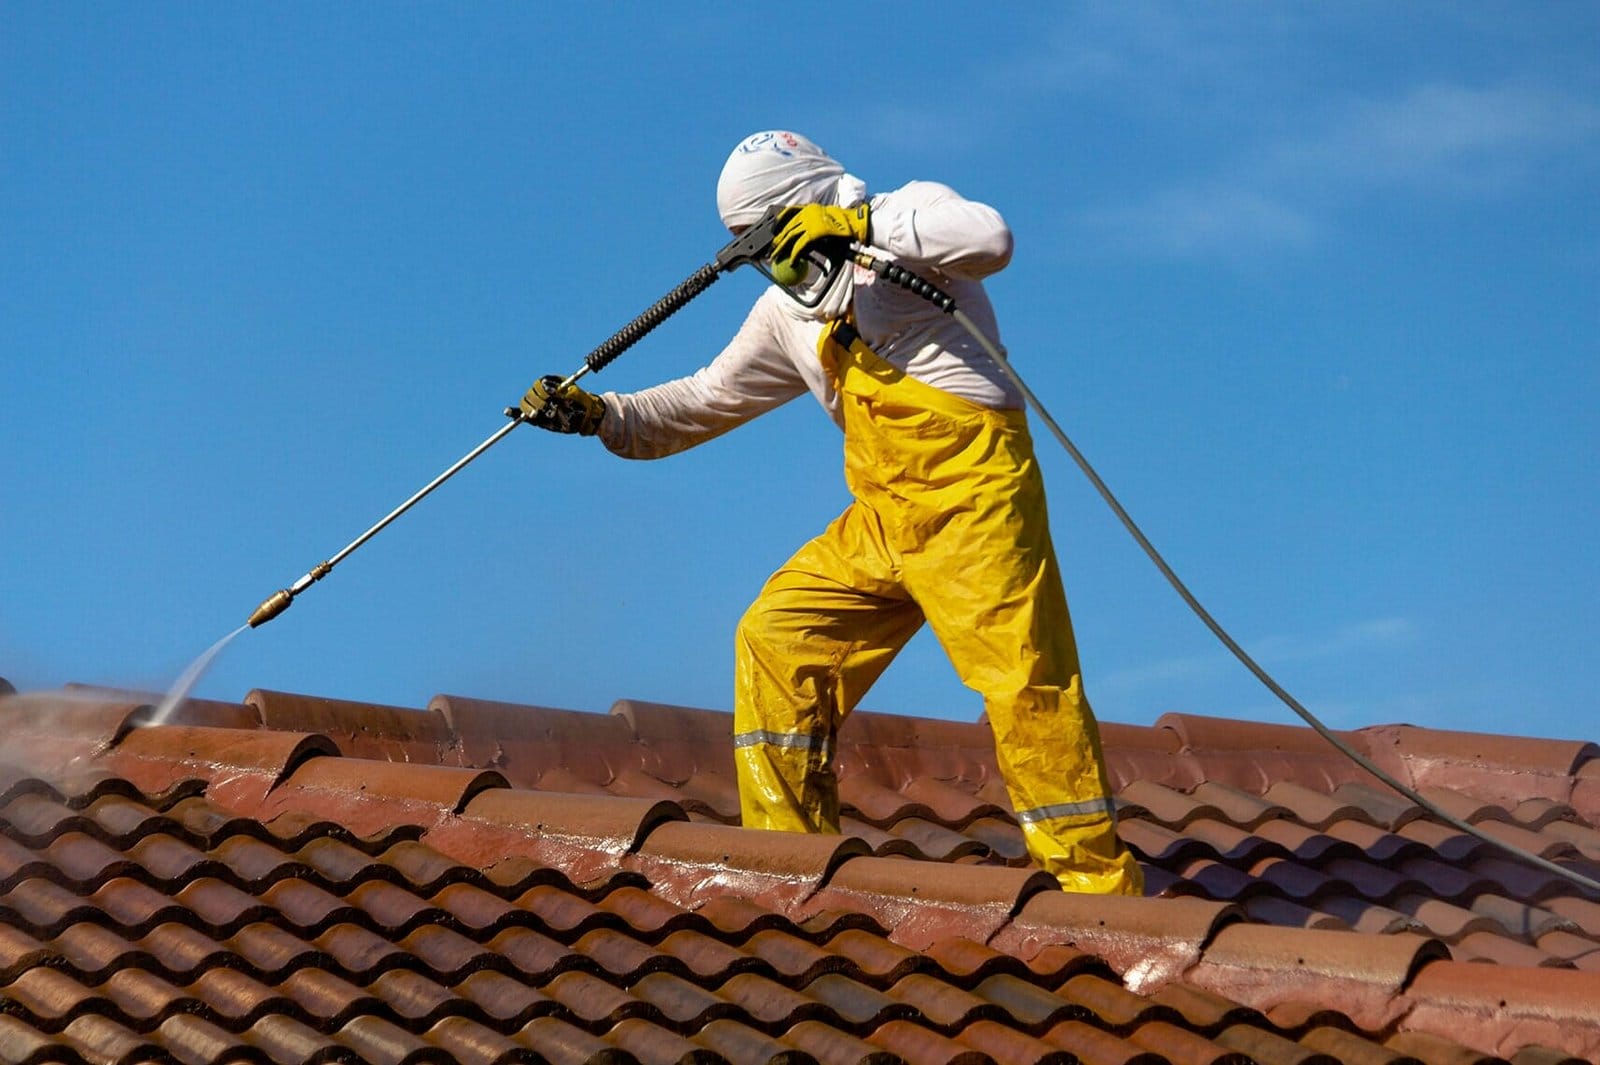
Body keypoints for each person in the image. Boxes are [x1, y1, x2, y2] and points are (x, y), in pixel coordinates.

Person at [523, 130, 1142, 896]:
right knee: (777, 639)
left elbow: (991, 236)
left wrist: (863, 230)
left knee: (1025, 684)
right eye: (749, 247)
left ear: (807, 204)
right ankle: (794, 869)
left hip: (974, 500)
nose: (768, 258)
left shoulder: (908, 214)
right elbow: (706, 397)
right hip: (884, 514)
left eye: (768, 235)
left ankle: (1094, 892)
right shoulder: (787, 314)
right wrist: (601, 414)